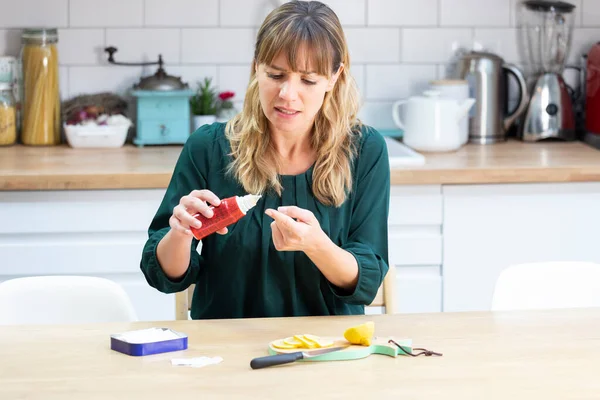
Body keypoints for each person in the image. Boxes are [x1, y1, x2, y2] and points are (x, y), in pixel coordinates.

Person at [140, 0, 390, 319]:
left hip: (327, 351)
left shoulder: (365, 150)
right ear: (256, 66)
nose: (287, 93)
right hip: (225, 351)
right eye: (275, 74)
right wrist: (180, 233)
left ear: (334, 77)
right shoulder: (208, 147)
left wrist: (316, 245)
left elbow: (366, 280)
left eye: (308, 80)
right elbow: (164, 276)